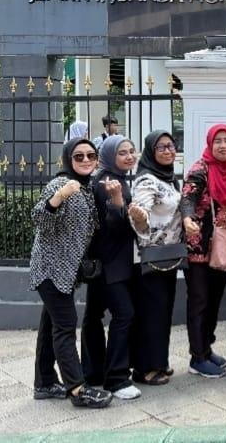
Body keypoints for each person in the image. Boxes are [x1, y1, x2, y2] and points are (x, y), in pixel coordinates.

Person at [30, 137, 113, 408]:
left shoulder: (88, 186)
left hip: (65, 271)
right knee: (65, 326)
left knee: (50, 325)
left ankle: (44, 382)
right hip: (51, 269)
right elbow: (38, 218)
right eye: (79, 156)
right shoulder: (60, 184)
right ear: (68, 159)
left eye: (91, 155)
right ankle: (77, 389)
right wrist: (59, 197)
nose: (86, 160)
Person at [179, 124, 226, 378]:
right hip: (198, 247)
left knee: (215, 299)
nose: (222, 145)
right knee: (199, 300)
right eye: (217, 141)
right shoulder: (201, 169)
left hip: (223, 246)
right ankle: (197, 357)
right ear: (210, 144)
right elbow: (188, 197)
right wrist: (187, 218)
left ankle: (206, 348)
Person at [81, 135, 141, 401]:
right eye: (122, 153)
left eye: (131, 151)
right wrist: (119, 202)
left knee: (93, 316)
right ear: (109, 155)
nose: (129, 156)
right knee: (124, 314)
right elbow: (112, 226)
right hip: (110, 264)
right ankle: (116, 378)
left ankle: (93, 372)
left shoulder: (114, 178)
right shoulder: (107, 182)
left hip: (111, 262)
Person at [127, 130, 183, 387]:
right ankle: (145, 368)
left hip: (167, 256)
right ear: (151, 151)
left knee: (162, 311)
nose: (168, 151)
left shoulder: (168, 178)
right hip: (151, 257)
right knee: (151, 313)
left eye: (171, 146)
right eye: (161, 147)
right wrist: (140, 217)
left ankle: (159, 361)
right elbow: (141, 210)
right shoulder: (147, 181)